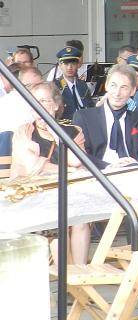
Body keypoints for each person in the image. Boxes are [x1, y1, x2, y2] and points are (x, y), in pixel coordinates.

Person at [9, 82, 90, 266]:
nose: (38, 106)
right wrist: (67, 171)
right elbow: (33, 166)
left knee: (81, 220)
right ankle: (66, 275)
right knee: (57, 219)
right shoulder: (24, 132)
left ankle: (79, 274)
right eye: (34, 101)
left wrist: (55, 132)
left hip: (68, 193)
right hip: (33, 194)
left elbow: (77, 161)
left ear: (56, 104)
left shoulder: (73, 131)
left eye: (44, 101)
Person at [72, 64, 138, 170]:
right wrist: (110, 166)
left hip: (133, 171)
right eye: (113, 85)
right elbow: (79, 155)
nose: (117, 93)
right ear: (106, 85)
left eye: (124, 87)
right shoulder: (84, 117)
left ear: (133, 91)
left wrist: (137, 164)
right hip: (98, 173)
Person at [0, 66, 46, 131]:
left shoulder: (48, 100)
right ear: (19, 85)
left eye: (37, 86)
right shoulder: (7, 102)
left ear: (43, 83)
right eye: (28, 86)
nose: (32, 89)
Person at [54, 46, 92, 120]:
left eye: (73, 63)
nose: (69, 67)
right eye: (66, 64)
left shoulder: (82, 85)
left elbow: (90, 106)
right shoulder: (55, 86)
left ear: (78, 65)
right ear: (60, 65)